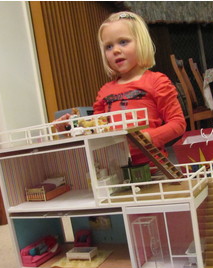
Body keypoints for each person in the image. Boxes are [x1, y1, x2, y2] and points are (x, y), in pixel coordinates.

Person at [54, 11, 186, 168]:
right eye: (109, 46)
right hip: (114, 169)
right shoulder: (104, 91)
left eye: (123, 42)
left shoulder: (157, 81)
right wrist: (69, 129)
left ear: (141, 42)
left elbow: (178, 123)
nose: (115, 50)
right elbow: (96, 132)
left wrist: (148, 137)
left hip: (153, 166)